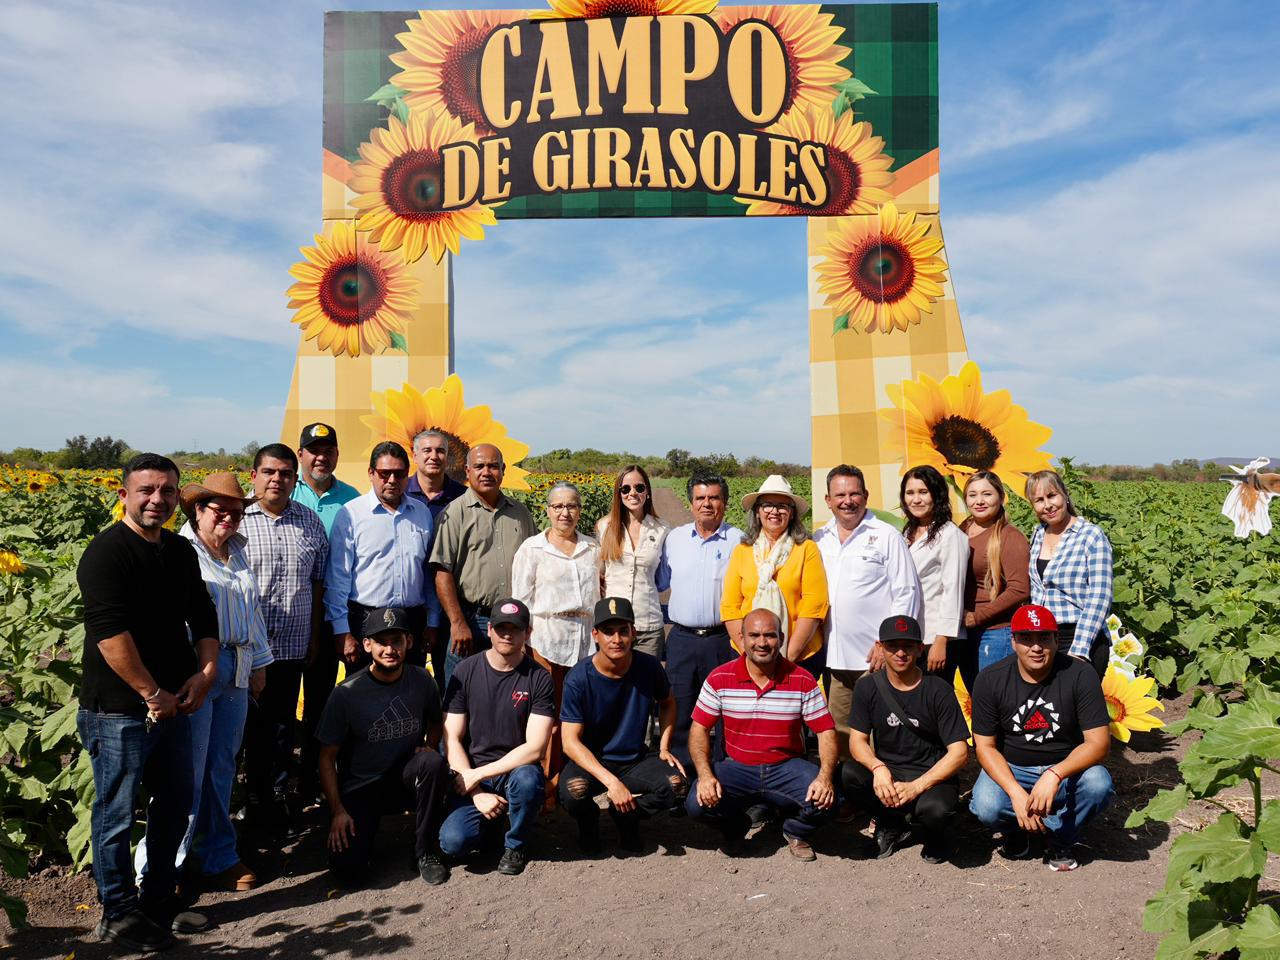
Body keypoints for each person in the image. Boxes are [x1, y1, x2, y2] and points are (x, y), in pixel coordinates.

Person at [76, 454, 218, 952]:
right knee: (116, 813)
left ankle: (158, 900)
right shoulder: (105, 554)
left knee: (175, 803)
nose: (158, 499)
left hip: (173, 703)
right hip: (118, 709)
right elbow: (110, 636)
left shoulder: (179, 551)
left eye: (167, 490)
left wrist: (205, 673)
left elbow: (203, 614)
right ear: (124, 496)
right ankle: (117, 913)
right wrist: (151, 694)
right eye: (146, 490)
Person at [137, 473, 273, 893]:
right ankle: (163, 866)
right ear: (198, 510)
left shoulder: (238, 551)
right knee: (186, 773)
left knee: (221, 768)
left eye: (237, 512)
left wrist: (259, 663)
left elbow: (251, 610)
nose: (229, 518)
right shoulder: (181, 551)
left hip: (237, 667)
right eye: (220, 510)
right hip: (194, 669)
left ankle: (218, 856)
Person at [685, 609, 838, 861]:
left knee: (832, 799)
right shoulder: (719, 678)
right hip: (737, 767)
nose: (762, 642)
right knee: (696, 803)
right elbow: (699, 729)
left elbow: (825, 730)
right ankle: (735, 828)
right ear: (741, 638)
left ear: (781, 638)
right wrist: (704, 776)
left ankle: (795, 829)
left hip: (785, 767)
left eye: (770, 635)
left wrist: (824, 777)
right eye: (754, 635)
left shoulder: (802, 679)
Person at [969, 604, 1114, 871]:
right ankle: (1016, 830)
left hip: (1066, 767)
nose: (1036, 647)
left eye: (1044, 638)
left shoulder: (1081, 675)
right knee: (986, 805)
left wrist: (1054, 774)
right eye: (1026, 638)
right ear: (1013, 641)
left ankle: (1059, 836)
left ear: (1057, 640)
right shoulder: (990, 679)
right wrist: (1015, 793)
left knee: (1098, 784)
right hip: (1014, 767)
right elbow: (985, 747)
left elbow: (1099, 743)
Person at [316, 607, 450, 886]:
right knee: (347, 873)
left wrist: (429, 746)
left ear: (408, 642)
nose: (390, 649)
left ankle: (425, 850)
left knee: (432, 762)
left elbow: (436, 721)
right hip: (362, 787)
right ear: (367, 645)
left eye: (396, 641)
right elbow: (327, 758)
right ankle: (362, 841)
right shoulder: (346, 693)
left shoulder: (422, 680)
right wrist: (337, 810)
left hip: (404, 779)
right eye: (381, 642)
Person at [238, 443, 329, 831]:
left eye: (286, 473)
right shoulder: (235, 518)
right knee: (242, 729)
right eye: (269, 472)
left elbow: (318, 583)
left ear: (295, 479)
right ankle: (245, 801)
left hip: (290, 645)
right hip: (243, 649)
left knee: (279, 728)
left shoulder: (310, 522)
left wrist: (314, 638)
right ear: (254, 475)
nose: (277, 479)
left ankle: (274, 801)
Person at [559, 597, 686, 855]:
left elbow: (668, 702)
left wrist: (664, 747)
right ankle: (589, 824)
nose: (616, 639)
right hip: (593, 760)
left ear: (633, 633)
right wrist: (612, 783)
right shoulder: (578, 678)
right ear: (595, 635)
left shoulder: (648, 666)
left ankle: (627, 816)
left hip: (634, 759)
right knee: (574, 792)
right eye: (608, 631)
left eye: (623, 631)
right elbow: (569, 742)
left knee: (677, 785)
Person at [840, 615, 969, 864]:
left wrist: (917, 786)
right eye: (892, 646)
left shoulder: (938, 689)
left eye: (908, 646)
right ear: (880, 648)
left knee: (936, 810)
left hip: (930, 774)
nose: (900, 653)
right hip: (890, 771)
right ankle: (892, 823)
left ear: (920, 649)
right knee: (848, 774)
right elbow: (857, 741)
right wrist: (878, 769)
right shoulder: (868, 687)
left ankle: (934, 836)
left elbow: (959, 752)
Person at [439, 599, 554, 876]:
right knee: (454, 843)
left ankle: (516, 844)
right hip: (471, 772)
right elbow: (451, 738)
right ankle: (493, 824)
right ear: (489, 629)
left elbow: (536, 748)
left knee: (528, 780)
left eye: (515, 629)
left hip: (514, 771)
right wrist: (476, 791)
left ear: (528, 633)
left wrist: (477, 775)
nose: (507, 635)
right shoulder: (465, 671)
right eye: (501, 628)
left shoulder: (539, 677)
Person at [814, 464, 922, 748]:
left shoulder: (887, 536)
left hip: (874, 657)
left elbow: (906, 591)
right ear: (828, 500)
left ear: (866, 495)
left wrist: (888, 644)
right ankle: (849, 778)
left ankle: (884, 778)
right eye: (840, 495)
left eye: (854, 494)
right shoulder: (819, 539)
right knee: (841, 735)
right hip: (834, 658)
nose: (847, 501)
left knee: (881, 734)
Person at [511, 481, 601, 788]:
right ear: (548, 511)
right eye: (558, 506)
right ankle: (546, 782)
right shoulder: (532, 549)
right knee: (546, 713)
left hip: (584, 640)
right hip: (545, 639)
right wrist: (522, 641)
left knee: (578, 712)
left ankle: (575, 778)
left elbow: (601, 591)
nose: (565, 513)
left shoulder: (593, 549)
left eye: (571, 506)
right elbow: (521, 599)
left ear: (580, 511)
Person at [431, 444, 539, 688]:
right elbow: (442, 572)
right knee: (460, 692)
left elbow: (536, 564)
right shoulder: (455, 513)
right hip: (470, 620)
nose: (486, 472)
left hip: (512, 621)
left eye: (493, 466)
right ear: (467, 471)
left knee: (507, 691)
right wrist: (457, 623)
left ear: (503, 470)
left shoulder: (521, 514)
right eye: (479, 466)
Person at [291, 422, 360, 800]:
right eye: (313, 451)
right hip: (284, 614)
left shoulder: (351, 499)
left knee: (320, 700)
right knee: (278, 703)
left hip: (330, 613)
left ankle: (312, 779)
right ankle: (276, 783)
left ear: (336, 455)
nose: (321, 457)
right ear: (300, 454)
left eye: (328, 451)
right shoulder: (284, 490)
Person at [325, 441, 438, 672]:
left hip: (411, 622)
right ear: (371, 473)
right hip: (365, 620)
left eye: (399, 474)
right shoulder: (351, 514)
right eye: (384, 474)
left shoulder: (421, 513)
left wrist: (433, 621)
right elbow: (338, 578)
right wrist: (342, 631)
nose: (392, 480)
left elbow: (428, 574)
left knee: (411, 687)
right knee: (363, 689)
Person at [655, 473, 743, 765]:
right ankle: (682, 772)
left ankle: (722, 770)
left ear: (725, 503)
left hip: (723, 639)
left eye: (714, 498)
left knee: (725, 709)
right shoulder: (675, 539)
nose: (707, 504)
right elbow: (660, 581)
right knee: (679, 707)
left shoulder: (739, 541)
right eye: (700, 498)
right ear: (691, 503)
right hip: (682, 639)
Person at [720, 475, 828, 666]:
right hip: (747, 656)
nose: (774, 511)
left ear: (792, 513)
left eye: (782, 506)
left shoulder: (806, 549)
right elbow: (730, 607)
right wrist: (750, 655)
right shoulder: (742, 551)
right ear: (757, 511)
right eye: (767, 505)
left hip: (799, 655)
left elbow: (814, 605)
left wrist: (787, 658)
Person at [1025, 470, 1114, 676]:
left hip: (1081, 636)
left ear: (1065, 494)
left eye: (1052, 495)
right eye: (1039, 500)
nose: (1048, 505)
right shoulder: (1038, 534)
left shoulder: (1091, 535)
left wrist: (1080, 649)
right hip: (1043, 639)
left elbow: (1100, 596)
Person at [405, 428, 468, 681]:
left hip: (452, 607)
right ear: (414, 455)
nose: (434, 456)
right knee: (409, 680)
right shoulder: (400, 493)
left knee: (452, 680)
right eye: (427, 450)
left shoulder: (462, 497)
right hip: (410, 604)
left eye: (440, 451)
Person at [900, 465, 970, 677]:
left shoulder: (950, 535)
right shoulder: (907, 533)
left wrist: (942, 640)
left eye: (923, 492)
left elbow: (953, 589)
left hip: (937, 636)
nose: (916, 500)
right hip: (913, 635)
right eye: (910, 493)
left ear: (937, 494)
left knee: (935, 692)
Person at [595, 465, 670, 659]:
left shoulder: (661, 529)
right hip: (613, 625)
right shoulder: (604, 527)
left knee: (646, 678)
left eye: (639, 487)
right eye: (626, 489)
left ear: (647, 492)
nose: (633, 493)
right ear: (618, 493)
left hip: (648, 625)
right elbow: (598, 574)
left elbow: (663, 578)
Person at [960, 470, 1031, 675]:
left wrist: (977, 617)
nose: (979, 501)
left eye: (987, 494)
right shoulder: (961, 530)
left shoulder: (1010, 537)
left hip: (995, 632)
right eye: (972, 495)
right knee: (975, 692)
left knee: (994, 692)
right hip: (964, 631)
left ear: (1001, 497)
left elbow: (1019, 589)